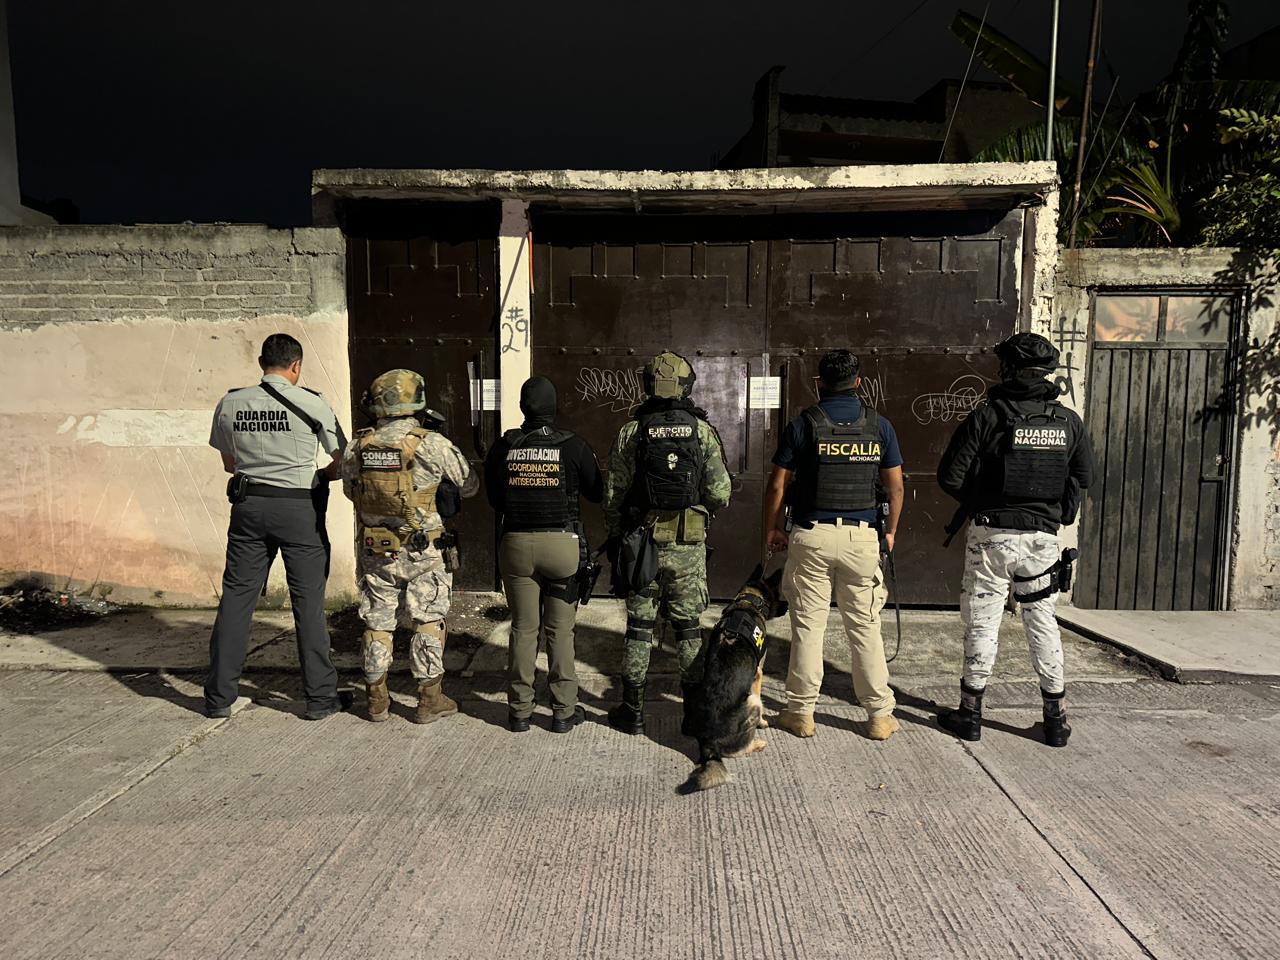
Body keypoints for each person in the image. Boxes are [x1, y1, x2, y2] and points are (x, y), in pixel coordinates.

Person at [935, 332, 1094, 747]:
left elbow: (950, 476)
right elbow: (1084, 477)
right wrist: (1053, 509)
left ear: (1008, 370)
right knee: (1042, 621)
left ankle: (970, 715)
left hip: (992, 536)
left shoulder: (988, 417)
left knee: (983, 621)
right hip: (1042, 538)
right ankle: (1055, 721)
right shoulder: (1068, 421)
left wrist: (982, 499)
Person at [762, 349, 905, 742]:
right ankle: (879, 715)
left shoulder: (803, 425)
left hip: (812, 536)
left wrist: (772, 529)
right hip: (862, 538)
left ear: (819, 383)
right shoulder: (880, 426)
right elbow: (895, 488)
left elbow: (777, 485)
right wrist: (890, 532)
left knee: (809, 627)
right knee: (865, 627)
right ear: (858, 382)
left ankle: (800, 713)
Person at [205, 333, 346, 720]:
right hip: (299, 509)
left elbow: (229, 464)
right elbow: (341, 460)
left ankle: (218, 698)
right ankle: (320, 698)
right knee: (308, 604)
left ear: (261, 363)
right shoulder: (312, 403)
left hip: (248, 507)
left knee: (237, 600)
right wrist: (320, 475)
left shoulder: (231, 402)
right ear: (296, 365)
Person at [604, 351, 732, 736]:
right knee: (688, 628)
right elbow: (721, 492)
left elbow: (613, 494)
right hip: (688, 545)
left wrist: (619, 535)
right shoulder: (701, 431)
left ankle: (632, 712)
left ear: (648, 386)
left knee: (639, 627)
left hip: (641, 546)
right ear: (686, 386)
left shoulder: (632, 431)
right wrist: (700, 512)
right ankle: (692, 714)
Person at [340, 368, 478, 725]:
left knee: (377, 620)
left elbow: (349, 491)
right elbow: (469, 485)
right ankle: (429, 699)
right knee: (428, 619)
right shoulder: (432, 444)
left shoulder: (358, 445)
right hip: (424, 550)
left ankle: (376, 699)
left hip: (377, 549)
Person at [484, 376, 604, 733]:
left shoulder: (504, 446)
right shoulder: (573, 445)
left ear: (523, 407)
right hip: (563, 547)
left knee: (523, 628)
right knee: (560, 630)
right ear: (554, 407)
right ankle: (564, 711)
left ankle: (519, 711)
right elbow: (597, 492)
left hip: (517, 546)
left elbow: (494, 499)